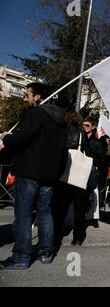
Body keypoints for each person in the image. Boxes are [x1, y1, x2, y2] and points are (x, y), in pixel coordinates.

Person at [0, 82, 67, 269]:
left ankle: (21, 256)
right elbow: (62, 150)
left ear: (38, 97)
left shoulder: (36, 114)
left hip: (29, 171)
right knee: (44, 212)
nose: (25, 98)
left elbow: (22, 139)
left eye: (27, 95)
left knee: (23, 214)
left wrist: (6, 138)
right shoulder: (61, 120)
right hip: (49, 174)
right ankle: (46, 251)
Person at [52, 111, 91, 247]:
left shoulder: (62, 131)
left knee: (60, 208)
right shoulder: (81, 134)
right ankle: (78, 237)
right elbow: (88, 151)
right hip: (79, 176)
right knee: (79, 210)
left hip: (64, 175)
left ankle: (56, 235)